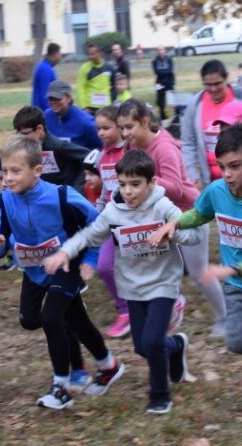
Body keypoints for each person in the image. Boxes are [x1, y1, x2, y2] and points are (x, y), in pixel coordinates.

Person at [152, 124, 242, 415]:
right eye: (222, 167)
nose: (227, 174)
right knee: (238, 341)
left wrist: (228, 271)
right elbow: (200, 213)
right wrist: (175, 223)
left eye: (235, 166)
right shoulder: (217, 191)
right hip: (239, 286)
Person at [44, 149, 201, 414]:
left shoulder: (162, 206)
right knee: (142, 346)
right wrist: (64, 252)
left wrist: (171, 230)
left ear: (152, 183)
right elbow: (89, 236)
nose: (128, 191)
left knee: (151, 342)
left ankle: (160, 395)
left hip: (163, 283)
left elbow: (193, 234)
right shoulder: (113, 213)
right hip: (132, 286)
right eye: (123, 184)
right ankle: (175, 347)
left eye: (136, 184)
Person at [0, 136, 125, 410]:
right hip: (35, 270)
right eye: (4, 173)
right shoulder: (4, 202)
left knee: (52, 318)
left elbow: (98, 225)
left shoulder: (61, 195)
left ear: (37, 170)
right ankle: (109, 365)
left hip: (66, 263)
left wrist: (92, 259)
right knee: (39, 320)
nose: (7, 179)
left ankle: (61, 387)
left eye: (15, 172)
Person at [117, 98, 228, 337]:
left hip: (189, 215)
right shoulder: (132, 148)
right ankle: (172, 304)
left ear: (145, 122)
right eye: (122, 128)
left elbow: (176, 189)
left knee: (199, 273)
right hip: (159, 219)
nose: (125, 133)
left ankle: (225, 319)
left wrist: (146, 183)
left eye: (129, 127)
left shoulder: (164, 148)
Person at [182, 59, 242, 191]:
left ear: (226, 79)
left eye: (217, 83)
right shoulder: (196, 104)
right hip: (210, 182)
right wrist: (193, 176)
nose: (213, 89)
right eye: (208, 85)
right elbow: (188, 142)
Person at [91, 105, 132, 338]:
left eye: (106, 128)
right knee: (105, 266)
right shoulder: (102, 156)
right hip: (110, 220)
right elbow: (106, 191)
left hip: (132, 222)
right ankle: (125, 310)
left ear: (120, 127)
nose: (101, 133)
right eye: (98, 129)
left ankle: (168, 302)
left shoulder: (130, 152)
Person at [12, 106, 90, 193]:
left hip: (63, 196)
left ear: (39, 129)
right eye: (18, 134)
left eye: (25, 133)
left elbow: (89, 157)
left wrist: (77, 188)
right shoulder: (26, 148)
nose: (21, 138)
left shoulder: (57, 146)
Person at [44, 80, 101, 150]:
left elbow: (99, 149)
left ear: (69, 97)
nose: (53, 102)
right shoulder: (47, 116)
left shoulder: (86, 122)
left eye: (57, 98)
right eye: (50, 99)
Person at [76, 43, 115, 112]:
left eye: (92, 54)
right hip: (90, 108)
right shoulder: (84, 68)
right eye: (89, 54)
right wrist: (84, 106)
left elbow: (114, 86)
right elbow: (80, 87)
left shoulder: (109, 67)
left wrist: (112, 102)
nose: (90, 57)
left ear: (100, 53)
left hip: (105, 107)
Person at [32, 43, 62, 111]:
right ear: (55, 53)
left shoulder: (46, 67)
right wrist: (50, 112)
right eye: (60, 54)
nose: (60, 57)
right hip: (42, 112)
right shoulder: (45, 69)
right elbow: (44, 93)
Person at [152, 46, 176, 120]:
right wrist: (165, 72)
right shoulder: (154, 61)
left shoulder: (169, 59)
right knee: (160, 100)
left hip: (169, 81)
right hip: (160, 82)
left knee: (173, 98)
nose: (160, 51)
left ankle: (177, 114)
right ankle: (163, 115)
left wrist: (163, 72)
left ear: (164, 50)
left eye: (161, 49)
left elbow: (170, 70)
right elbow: (157, 72)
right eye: (158, 50)